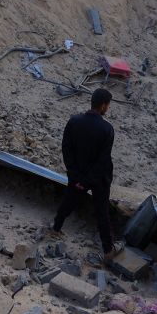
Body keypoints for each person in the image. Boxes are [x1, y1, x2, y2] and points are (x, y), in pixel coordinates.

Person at [53, 88, 120, 260]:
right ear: (103, 105)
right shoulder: (107, 129)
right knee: (102, 213)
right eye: (108, 105)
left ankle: (55, 228)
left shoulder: (74, 121)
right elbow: (103, 160)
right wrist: (89, 180)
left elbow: (66, 150)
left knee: (68, 202)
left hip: (77, 176)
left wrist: (76, 176)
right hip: (98, 179)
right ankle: (108, 250)